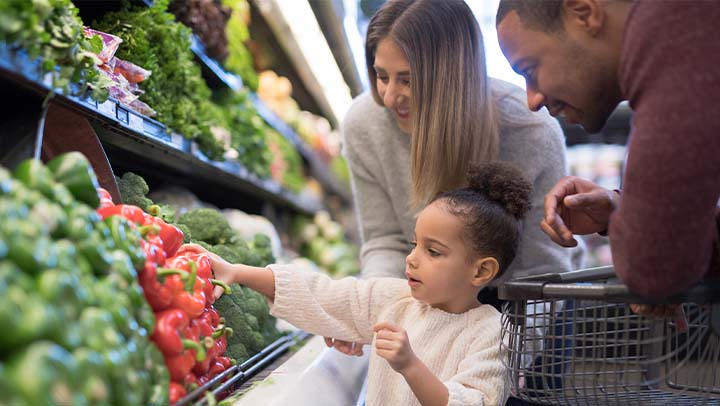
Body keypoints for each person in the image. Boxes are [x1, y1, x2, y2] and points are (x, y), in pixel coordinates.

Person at [335, 0, 582, 356]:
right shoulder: (364, 124)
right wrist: (370, 314)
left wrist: (505, 368)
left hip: (520, 308)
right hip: (431, 301)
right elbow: (386, 241)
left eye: (408, 79)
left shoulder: (530, 132)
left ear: (452, 76)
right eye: (381, 75)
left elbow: (539, 271)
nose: (389, 97)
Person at [185, 162, 530, 406]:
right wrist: (238, 272)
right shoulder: (395, 300)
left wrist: (410, 365)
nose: (412, 259)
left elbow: (472, 402)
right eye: (414, 244)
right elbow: (323, 294)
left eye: (433, 251)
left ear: (481, 271)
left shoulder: (491, 332)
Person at [496, 0, 720, 298]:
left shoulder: (676, 39)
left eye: (530, 69)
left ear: (584, 14)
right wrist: (621, 212)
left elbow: (655, 272)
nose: (532, 100)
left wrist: (646, 239)